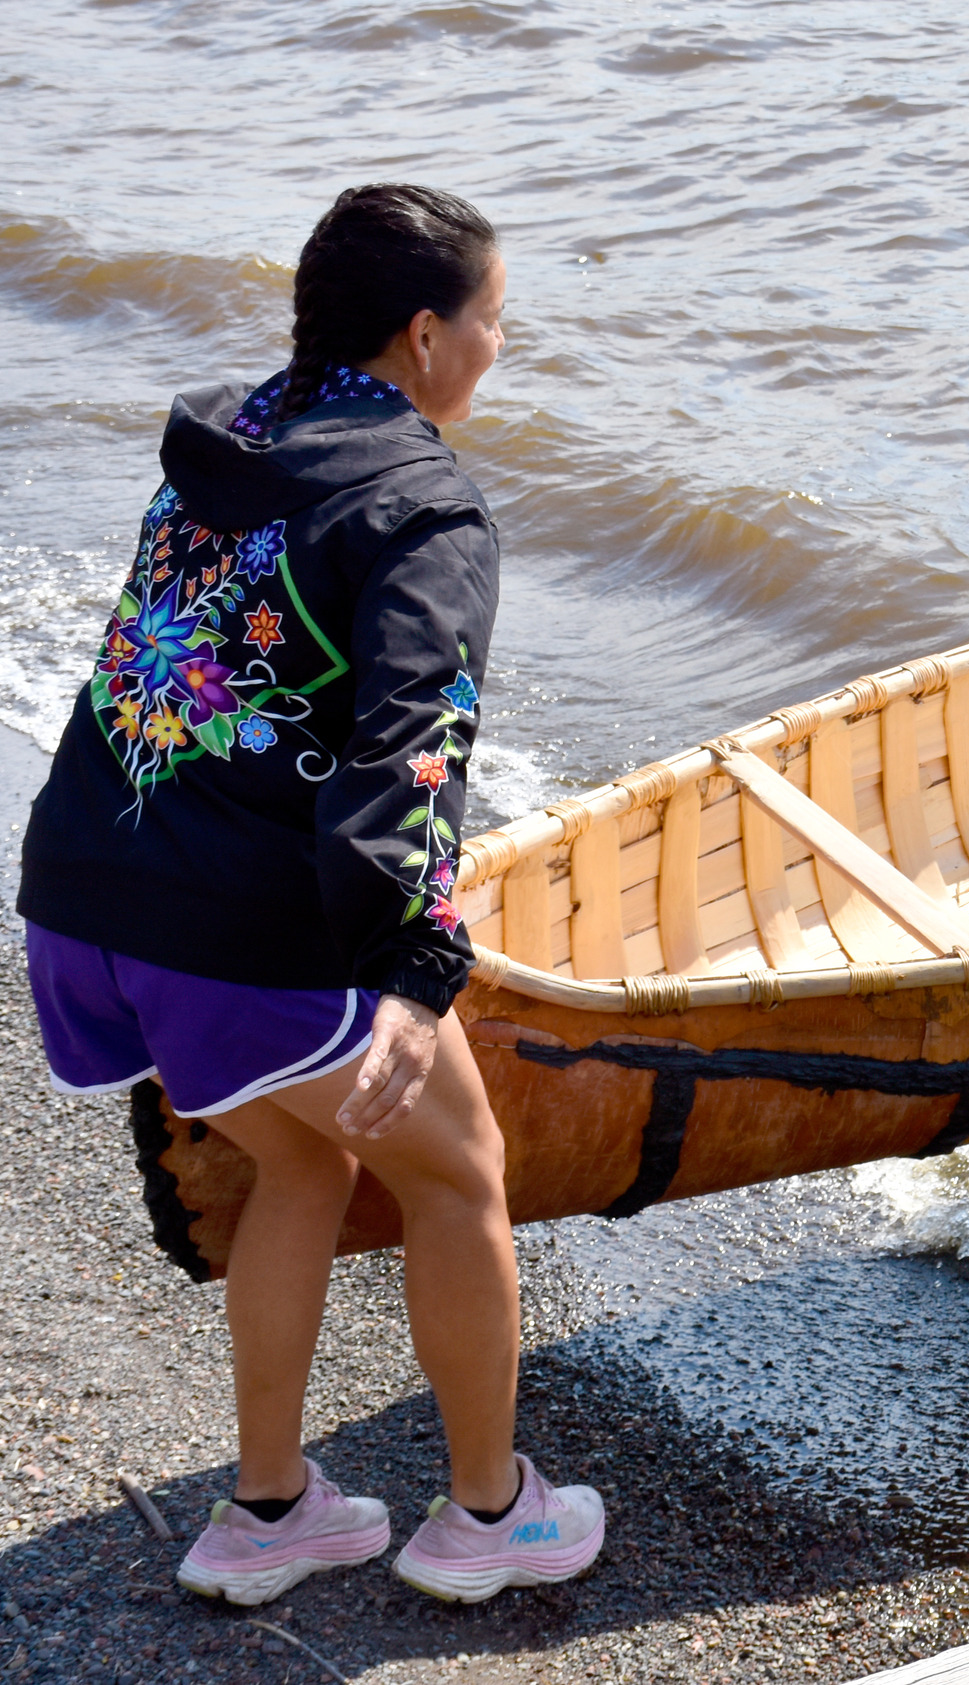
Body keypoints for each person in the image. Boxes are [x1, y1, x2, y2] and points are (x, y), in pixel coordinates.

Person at [14, 185, 605, 1606]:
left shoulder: (228, 438)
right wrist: (413, 972)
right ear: (424, 334)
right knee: (460, 1177)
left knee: (300, 1159)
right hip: (245, 924)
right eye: (496, 323)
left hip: (88, 889)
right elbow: (413, 747)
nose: (497, 350)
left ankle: (271, 1512)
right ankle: (487, 1517)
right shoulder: (428, 505)